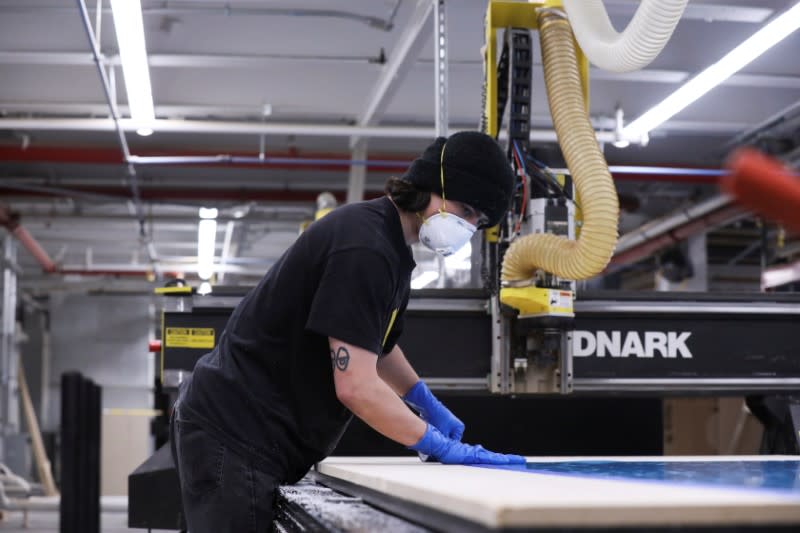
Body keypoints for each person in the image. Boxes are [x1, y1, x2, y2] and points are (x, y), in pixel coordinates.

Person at [170, 131, 524, 532]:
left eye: (478, 221)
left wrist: (423, 400)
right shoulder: (366, 248)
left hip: (247, 433)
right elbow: (355, 386)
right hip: (235, 434)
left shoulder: (389, 246)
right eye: (466, 209)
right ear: (433, 184)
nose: (469, 226)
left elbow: (378, 345)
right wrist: (434, 443)